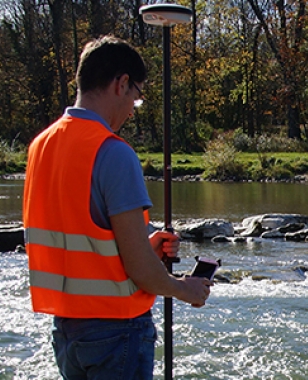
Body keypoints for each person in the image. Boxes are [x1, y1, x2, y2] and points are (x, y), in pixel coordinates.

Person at [23, 35, 211, 380]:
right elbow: (139, 268)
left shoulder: (40, 146)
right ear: (121, 83)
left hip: (66, 331)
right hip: (117, 330)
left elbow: (78, 238)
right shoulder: (113, 151)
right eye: (136, 98)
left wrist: (144, 246)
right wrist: (184, 288)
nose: (131, 110)